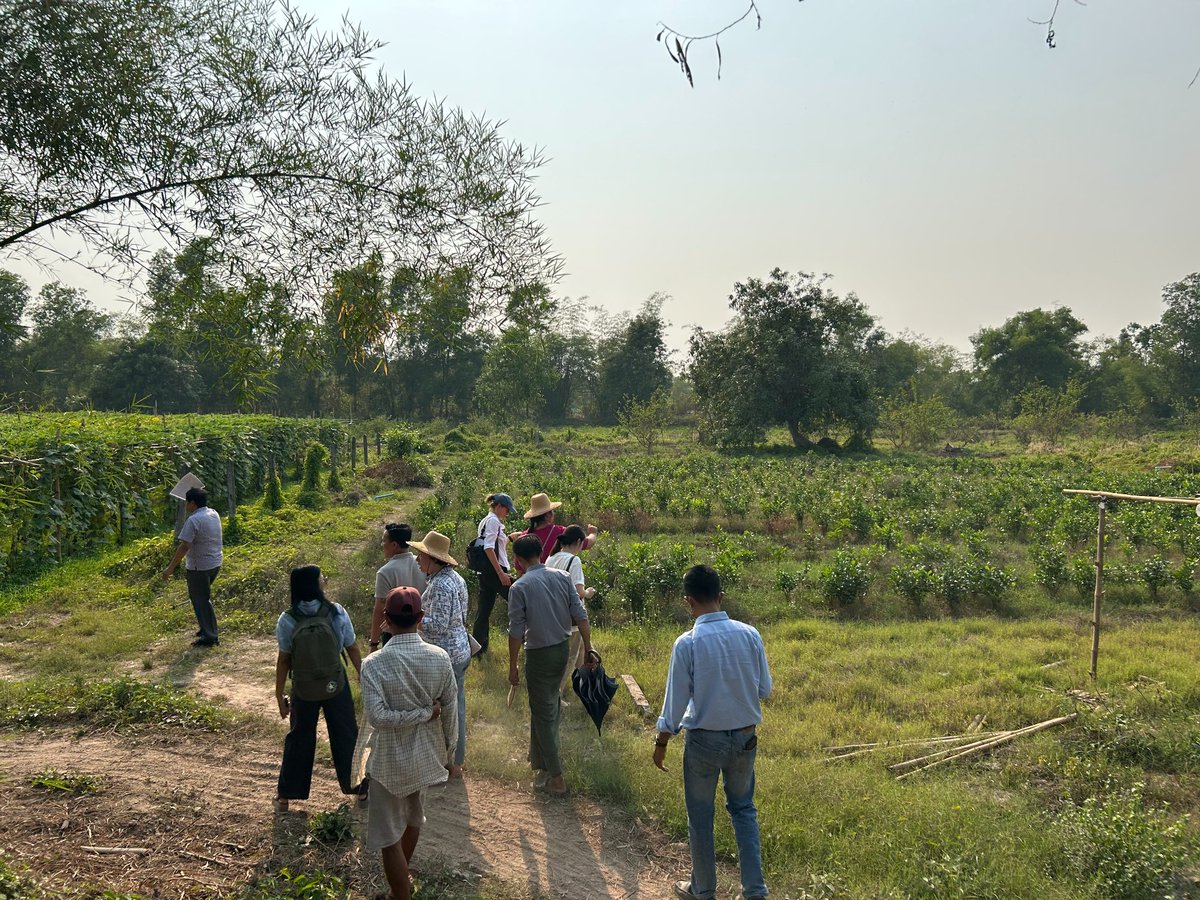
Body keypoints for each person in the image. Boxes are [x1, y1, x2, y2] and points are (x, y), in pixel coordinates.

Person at [652, 565, 772, 900]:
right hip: (745, 738)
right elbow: (764, 688)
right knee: (744, 809)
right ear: (721, 596)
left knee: (701, 816)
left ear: (688, 602)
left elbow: (674, 704)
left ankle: (703, 890)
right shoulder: (750, 634)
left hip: (704, 740)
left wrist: (662, 740)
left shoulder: (687, 643)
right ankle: (755, 890)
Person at [361, 586, 458, 900]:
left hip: (388, 760)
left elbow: (378, 717)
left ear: (386, 620)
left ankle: (399, 895)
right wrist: (449, 749)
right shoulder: (439, 658)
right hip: (425, 754)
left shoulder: (373, 664)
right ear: (421, 618)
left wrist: (418, 714)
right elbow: (451, 709)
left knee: (388, 834)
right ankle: (399, 887)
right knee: (414, 817)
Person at [507, 533, 594, 796]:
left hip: (539, 655)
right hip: (562, 650)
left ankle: (556, 777)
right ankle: (542, 765)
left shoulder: (519, 587)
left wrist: (513, 666)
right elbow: (581, 617)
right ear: (541, 553)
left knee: (544, 714)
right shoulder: (562, 577)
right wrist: (588, 649)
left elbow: (515, 632)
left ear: (518, 561)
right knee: (549, 707)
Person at [273, 565, 365, 812]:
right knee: (347, 734)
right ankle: (361, 790)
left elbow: (284, 659)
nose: (325, 579)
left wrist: (279, 693)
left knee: (300, 737)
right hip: (336, 683)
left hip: (303, 687)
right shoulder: (336, 612)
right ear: (315, 585)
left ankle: (285, 796)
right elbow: (352, 648)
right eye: (322, 577)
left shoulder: (287, 619)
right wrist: (365, 678)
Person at [410, 529, 471, 778]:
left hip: (445, 656)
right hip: (459, 650)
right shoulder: (454, 578)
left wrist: (414, 619)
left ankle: (450, 762)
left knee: (445, 709)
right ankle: (452, 759)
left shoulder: (441, 585)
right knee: (455, 706)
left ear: (434, 559)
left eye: (421, 555)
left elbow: (437, 626)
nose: (418, 560)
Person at [162, 486, 223, 647]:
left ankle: (210, 636)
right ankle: (206, 628)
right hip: (214, 563)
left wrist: (170, 568)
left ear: (193, 503)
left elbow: (184, 546)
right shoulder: (213, 514)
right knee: (202, 597)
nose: (185, 506)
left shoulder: (193, 520)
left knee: (200, 599)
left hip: (199, 567)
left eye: (186, 503)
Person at [545, 525, 597, 704]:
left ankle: (587, 687)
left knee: (582, 650)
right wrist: (589, 593)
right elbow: (578, 591)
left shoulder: (550, 558)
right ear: (578, 542)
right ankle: (555, 696)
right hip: (571, 617)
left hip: (553, 613)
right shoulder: (573, 561)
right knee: (570, 657)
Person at [370, 522, 425, 652]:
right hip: (421, 629)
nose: (382, 545)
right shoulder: (424, 564)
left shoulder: (385, 572)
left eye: (384, 541)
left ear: (394, 545)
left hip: (395, 633)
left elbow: (379, 609)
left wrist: (373, 643)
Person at [513, 492, 599, 573]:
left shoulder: (524, 538)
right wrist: (593, 533)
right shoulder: (559, 532)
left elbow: (519, 569)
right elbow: (587, 543)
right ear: (547, 515)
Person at [472, 493, 515, 655]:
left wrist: (509, 538)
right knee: (520, 598)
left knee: (484, 610)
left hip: (485, 571)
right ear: (498, 507)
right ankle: (529, 639)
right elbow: (489, 547)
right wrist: (500, 573)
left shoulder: (486, 520)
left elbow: (493, 544)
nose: (507, 513)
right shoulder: (494, 521)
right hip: (495, 571)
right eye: (506, 510)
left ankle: (478, 649)